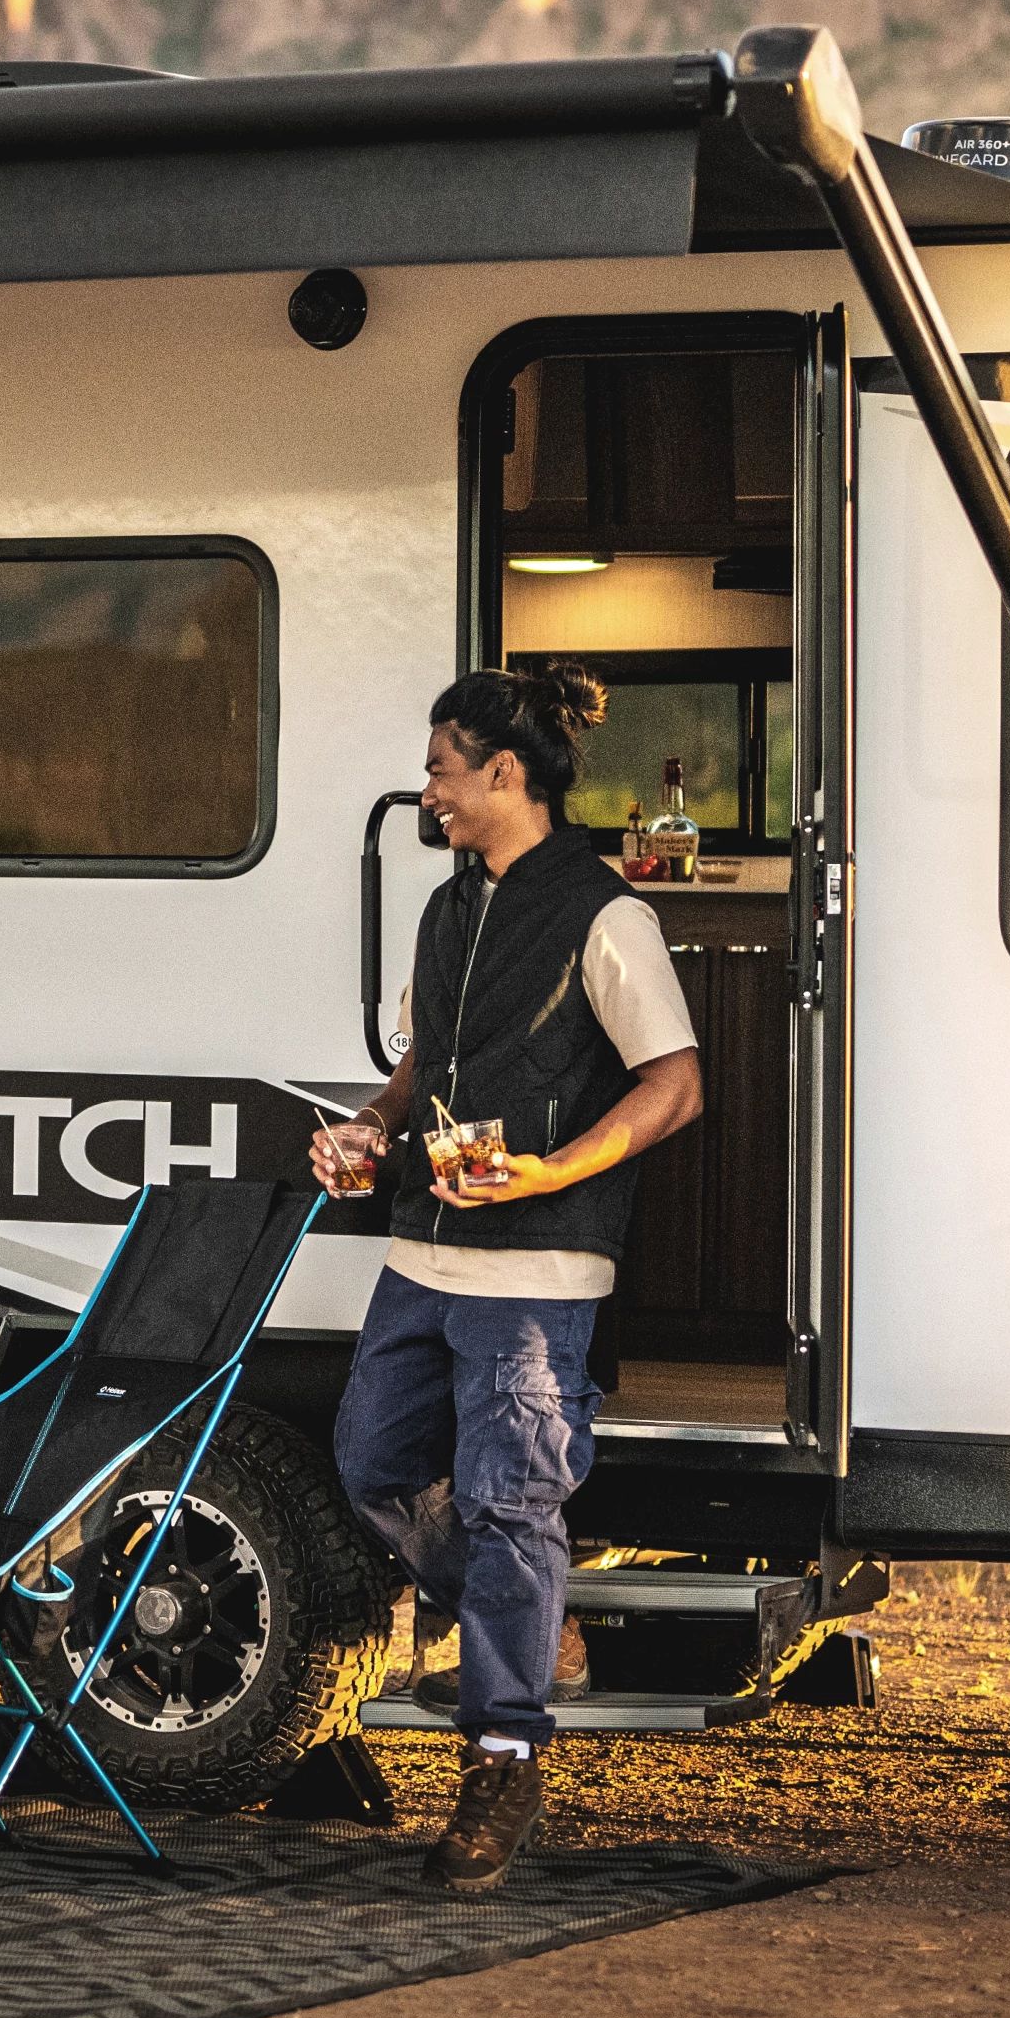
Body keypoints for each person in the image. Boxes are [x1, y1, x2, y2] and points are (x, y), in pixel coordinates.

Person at [308, 666, 704, 1894]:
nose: (424, 789)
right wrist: (368, 1128)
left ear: (502, 773)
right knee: (372, 1460)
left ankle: (501, 1755)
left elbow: (674, 1086)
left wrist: (548, 1174)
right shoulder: (445, 908)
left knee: (507, 1501)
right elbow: (429, 1058)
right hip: (423, 1245)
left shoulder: (605, 915)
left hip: (538, 1263)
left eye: (438, 767)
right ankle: (527, 1618)